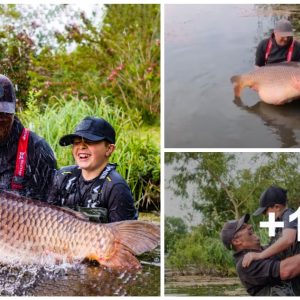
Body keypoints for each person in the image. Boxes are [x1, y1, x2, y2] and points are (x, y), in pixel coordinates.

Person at [48, 116, 138, 223]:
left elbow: (126, 236)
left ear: (109, 149)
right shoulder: (63, 176)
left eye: (89, 141)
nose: (81, 147)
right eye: (76, 142)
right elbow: (47, 219)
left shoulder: (116, 187)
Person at [0, 74, 57, 200]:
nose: (0, 118)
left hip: (25, 219)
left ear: (14, 112)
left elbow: (51, 208)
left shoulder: (37, 149)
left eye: (4, 113)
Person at [220, 213, 300, 296]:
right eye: (243, 227)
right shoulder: (245, 264)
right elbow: (286, 271)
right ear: (236, 241)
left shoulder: (266, 249)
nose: (250, 226)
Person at [242, 186, 300, 294]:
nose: (265, 215)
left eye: (265, 211)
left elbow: (288, 239)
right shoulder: (279, 221)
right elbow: (275, 245)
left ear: (277, 207)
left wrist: (260, 255)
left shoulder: (289, 215)